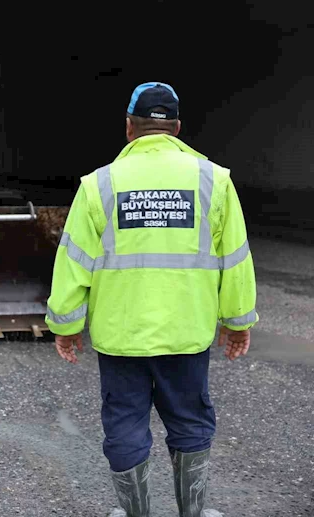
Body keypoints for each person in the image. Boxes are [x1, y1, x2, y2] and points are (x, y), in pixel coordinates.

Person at [44, 82, 258, 517]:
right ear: (177, 128)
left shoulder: (98, 184)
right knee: (191, 422)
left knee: (124, 424)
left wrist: (65, 327)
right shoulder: (214, 181)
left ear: (128, 128)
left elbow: (72, 263)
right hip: (186, 334)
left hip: (121, 337)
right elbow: (235, 261)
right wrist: (237, 322)